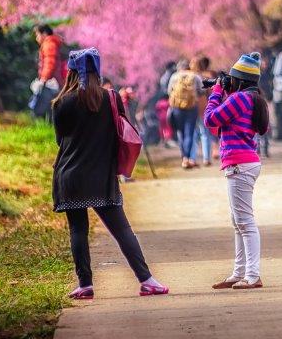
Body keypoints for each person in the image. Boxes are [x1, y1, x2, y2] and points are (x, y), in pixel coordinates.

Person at [52, 48, 168, 299]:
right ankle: (147, 280)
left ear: (71, 72)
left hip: (70, 176)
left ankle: (85, 284)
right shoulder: (111, 98)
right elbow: (122, 129)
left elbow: (60, 140)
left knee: (78, 230)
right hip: (101, 177)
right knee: (122, 229)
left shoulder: (62, 102)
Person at [204, 52, 271, 290]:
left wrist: (215, 94)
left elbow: (211, 120)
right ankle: (239, 272)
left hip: (239, 164)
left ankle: (252, 275)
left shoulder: (238, 99)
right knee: (238, 221)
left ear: (239, 79)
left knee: (245, 222)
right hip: (244, 162)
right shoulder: (252, 99)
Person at [167, 59, 202, 169]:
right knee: (189, 132)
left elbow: (169, 91)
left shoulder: (174, 76)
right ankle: (188, 157)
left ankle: (184, 158)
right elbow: (201, 91)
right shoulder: (195, 76)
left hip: (177, 107)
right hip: (191, 107)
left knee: (180, 132)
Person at [32, 24, 64, 120]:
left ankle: (45, 127)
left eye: (37, 35)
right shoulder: (51, 43)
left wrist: (43, 79)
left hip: (50, 82)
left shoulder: (49, 44)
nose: (37, 38)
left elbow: (49, 63)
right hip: (54, 81)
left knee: (44, 107)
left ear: (44, 33)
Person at [194, 56, 216, 167]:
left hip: (191, 107)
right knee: (205, 133)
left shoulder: (190, 76)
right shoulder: (207, 76)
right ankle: (206, 158)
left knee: (194, 133)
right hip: (204, 107)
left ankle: (191, 158)